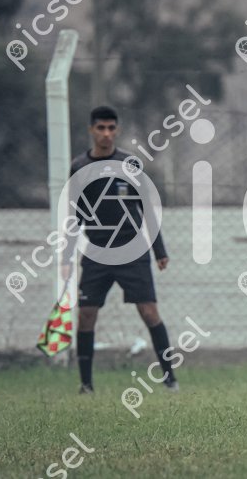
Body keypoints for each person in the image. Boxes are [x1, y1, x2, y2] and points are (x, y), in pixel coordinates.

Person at [62, 106, 177, 394]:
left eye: (111, 128)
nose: (106, 134)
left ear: (117, 130)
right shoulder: (79, 167)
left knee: (149, 312)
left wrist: (159, 251)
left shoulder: (129, 164)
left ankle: (170, 379)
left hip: (132, 251)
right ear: (91, 130)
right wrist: (66, 257)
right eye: (101, 128)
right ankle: (86, 385)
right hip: (97, 252)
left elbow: (147, 209)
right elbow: (74, 215)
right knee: (86, 314)